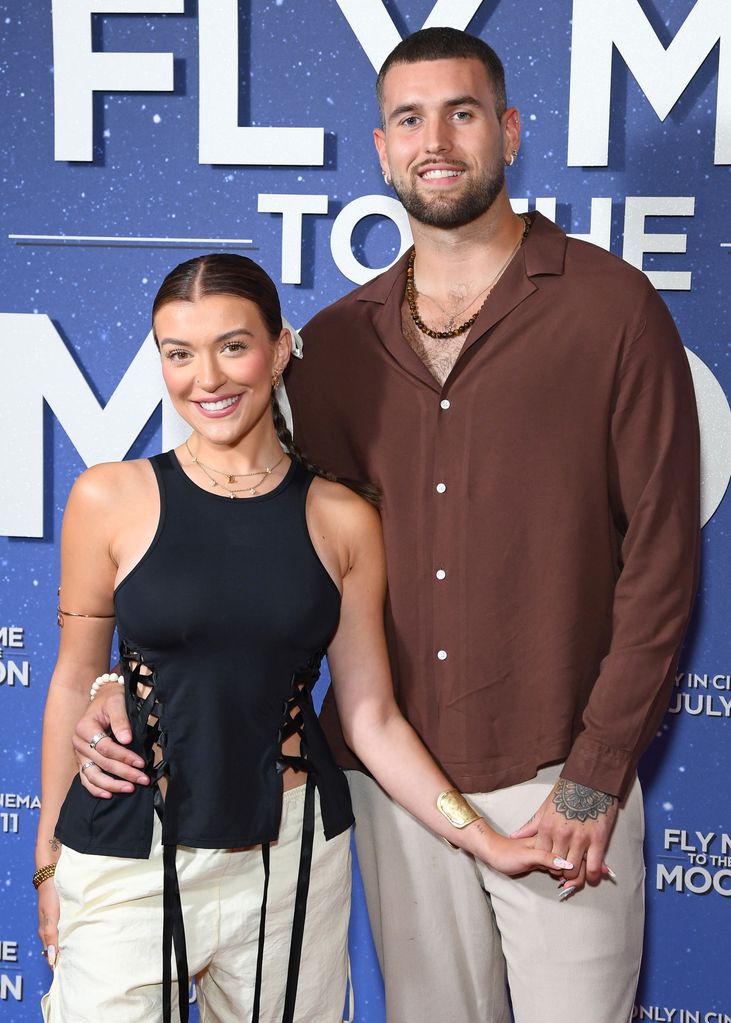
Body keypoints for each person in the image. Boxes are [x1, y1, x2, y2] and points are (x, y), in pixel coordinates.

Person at [283, 27, 699, 1023]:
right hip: (400, 791)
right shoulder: (335, 345)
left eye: (461, 113)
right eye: (409, 119)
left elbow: (660, 557)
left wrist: (595, 779)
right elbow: (282, 557)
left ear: (507, 131)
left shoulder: (611, 309)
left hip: (560, 783)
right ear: (381, 149)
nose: (436, 140)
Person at [34, 253, 562, 1023]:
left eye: (232, 346)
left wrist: (483, 838)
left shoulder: (342, 519)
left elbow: (370, 716)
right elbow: (70, 680)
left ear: (280, 348)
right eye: (178, 353)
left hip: (292, 864)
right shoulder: (107, 497)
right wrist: (49, 865)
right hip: (126, 851)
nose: (205, 378)